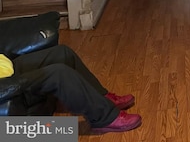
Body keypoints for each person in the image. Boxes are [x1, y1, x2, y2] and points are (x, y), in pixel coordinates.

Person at [9, 44, 141, 133]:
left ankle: (101, 98)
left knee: (62, 52)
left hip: (5, 66)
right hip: (5, 82)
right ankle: (104, 117)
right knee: (59, 73)